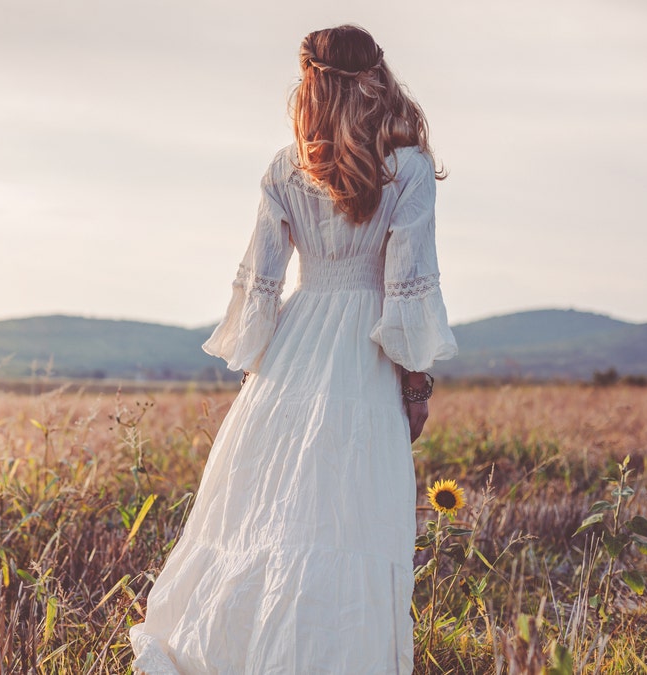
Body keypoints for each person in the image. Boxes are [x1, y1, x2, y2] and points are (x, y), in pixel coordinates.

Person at [129, 25, 458, 674]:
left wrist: (265, 374)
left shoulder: (288, 166)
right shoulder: (410, 169)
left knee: (269, 516)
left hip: (294, 347)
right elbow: (405, 290)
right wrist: (414, 385)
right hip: (364, 358)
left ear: (310, 82)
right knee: (349, 520)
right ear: (379, 79)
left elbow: (263, 282)